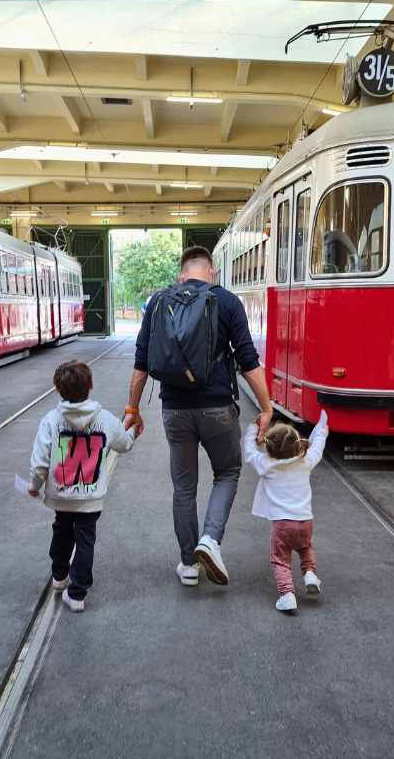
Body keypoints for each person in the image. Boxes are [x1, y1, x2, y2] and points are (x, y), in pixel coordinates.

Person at [125, 245, 274, 588]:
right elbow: (249, 362)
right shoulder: (227, 301)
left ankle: (188, 564)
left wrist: (132, 409)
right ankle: (211, 538)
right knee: (228, 471)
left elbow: (140, 364)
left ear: (181, 274)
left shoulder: (158, 302)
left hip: (174, 410)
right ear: (212, 272)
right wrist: (266, 409)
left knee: (184, 487)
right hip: (218, 407)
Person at [28, 360, 138, 613]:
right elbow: (123, 443)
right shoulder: (105, 419)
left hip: (61, 497)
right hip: (90, 499)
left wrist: (35, 485)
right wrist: (133, 433)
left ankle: (59, 575)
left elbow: (40, 462)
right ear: (90, 385)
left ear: (57, 389)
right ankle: (77, 594)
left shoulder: (50, 421)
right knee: (85, 541)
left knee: (61, 531)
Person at [243, 411, 329, 613]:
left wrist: (252, 429)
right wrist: (322, 432)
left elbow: (248, 452)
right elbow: (317, 447)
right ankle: (310, 574)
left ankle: (287, 595)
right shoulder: (305, 462)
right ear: (298, 445)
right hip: (305, 520)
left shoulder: (266, 464)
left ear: (269, 448)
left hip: (282, 524)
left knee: (280, 559)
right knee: (305, 548)